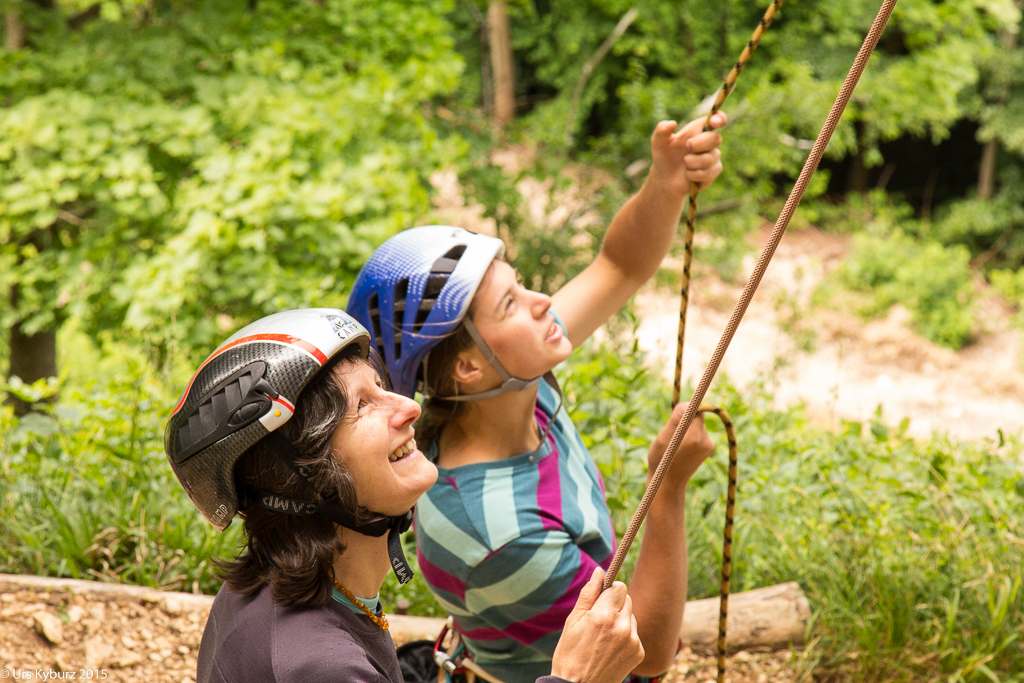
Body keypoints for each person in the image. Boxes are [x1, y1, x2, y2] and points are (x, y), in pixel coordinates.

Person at [346, 114, 725, 683]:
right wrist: (667, 488)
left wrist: (665, 184)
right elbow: (646, 649)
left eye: (520, 283)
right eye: (510, 304)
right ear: (469, 366)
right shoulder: (498, 534)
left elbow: (619, 266)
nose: (542, 300)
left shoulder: (513, 383)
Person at [164, 308, 645, 683]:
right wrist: (575, 678)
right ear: (304, 478)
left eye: (381, 387)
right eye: (362, 406)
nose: (409, 407)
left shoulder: (278, 591)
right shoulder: (321, 665)